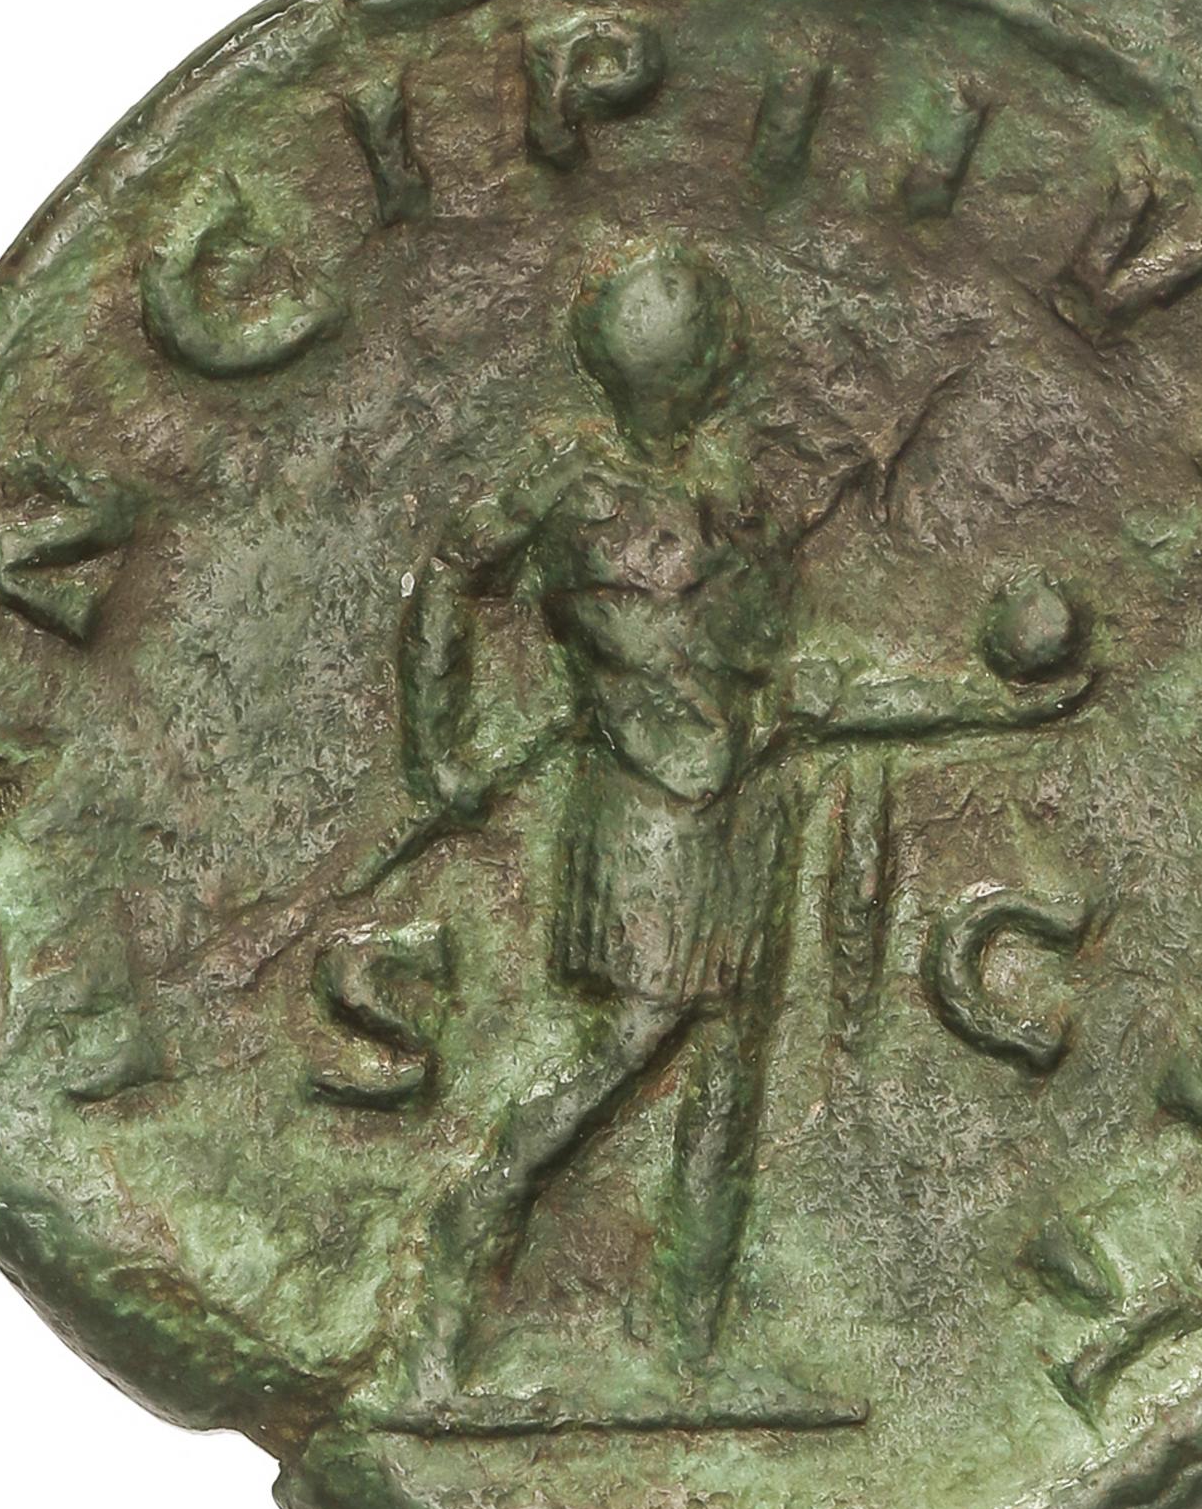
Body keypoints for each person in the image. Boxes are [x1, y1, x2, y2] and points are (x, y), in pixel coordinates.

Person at [361, 236, 1091, 1425]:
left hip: (741, 806)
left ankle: (688, 1349)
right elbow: (450, 573)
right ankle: (447, 1286)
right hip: (650, 811)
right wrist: (437, 747)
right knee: (627, 1046)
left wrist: (988, 699)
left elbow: (790, 688)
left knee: (722, 1083)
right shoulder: (573, 494)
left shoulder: (731, 499)